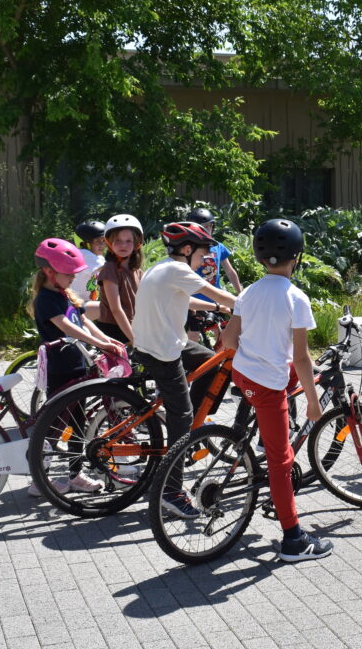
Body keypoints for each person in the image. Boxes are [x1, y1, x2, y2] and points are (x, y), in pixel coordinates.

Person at [221, 218, 333, 562]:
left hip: (243, 376)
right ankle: (294, 540)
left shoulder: (248, 292)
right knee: (280, 461)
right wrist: (313, 403)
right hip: (267, 387)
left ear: (259, 258)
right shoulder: (296, 298)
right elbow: (301, 357)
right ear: (296, 258)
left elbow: (228, 340)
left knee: (284, 384)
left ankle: (258, 433)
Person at [131, 221, 237, 518]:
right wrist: (249, 307)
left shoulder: (162, 267)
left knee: (212, 363)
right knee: (181, 415)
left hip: (157, 343)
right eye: (202, 254)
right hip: (163, 352)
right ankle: (171, 491)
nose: (204, 260)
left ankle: (192, 424)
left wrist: (218, 310)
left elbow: (184, 298)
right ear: (187, 249)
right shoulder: (179, 269)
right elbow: (217, 293)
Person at [28, 238, 126, 495]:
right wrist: (98, 343)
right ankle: (38, 480)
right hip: (61, 370)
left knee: (78, 424)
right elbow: (67, 327)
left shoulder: (64, 294)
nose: (73, 277)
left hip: (78, 366)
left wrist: (106, 340)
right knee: (55, 425)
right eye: (69, 273)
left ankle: (75, 475)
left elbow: (84, 322)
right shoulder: (46, 299)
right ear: (49, 272)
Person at [185, 206, 242, 342]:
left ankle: (217, 356)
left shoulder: (218, 247)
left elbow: (230, 271)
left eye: (209, 226)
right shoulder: (188, 249)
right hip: (195, 300)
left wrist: (240, 293)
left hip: (216, 298)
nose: (207, 230)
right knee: (193, 336)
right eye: (202, 227)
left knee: (220, 332)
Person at [95, 214, 144, 344]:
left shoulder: (137, 271)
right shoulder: (110, 269)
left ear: (137, 244)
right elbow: (116, 309)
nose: (123, 245)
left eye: (128, 241)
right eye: (118, 240)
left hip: (131, 328)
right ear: (109, 243)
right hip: (113, 330)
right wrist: (135, 340)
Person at [72, 220, 106, 309]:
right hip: (76, 305)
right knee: (111, 308)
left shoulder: (99, 257)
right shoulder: (84, 254)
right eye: (97, 241)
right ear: (84, 243)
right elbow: (110, 269)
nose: (102, 244)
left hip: (85, 304)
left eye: (103, 240)